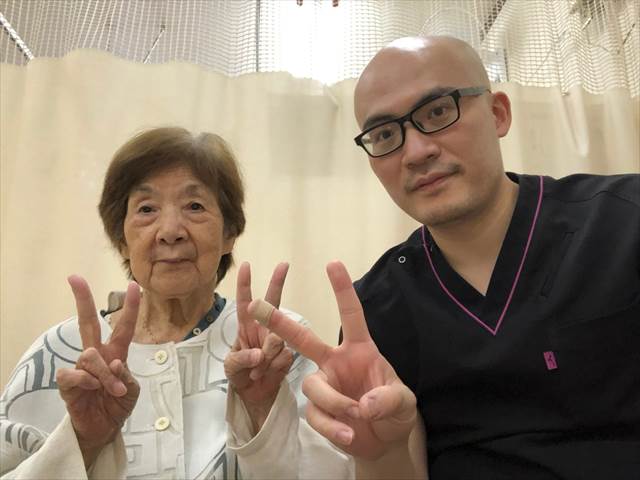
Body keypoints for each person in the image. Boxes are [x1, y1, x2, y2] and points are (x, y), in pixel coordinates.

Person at [253, 36, 640, 479]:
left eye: (438, 112)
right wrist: (379, 449)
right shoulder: (376, 307)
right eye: (385, 135)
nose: (416, 152)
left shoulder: (624, 220)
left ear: (497, 113)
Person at [0, 127, 353, 479]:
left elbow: (342, 471)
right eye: (147, 209)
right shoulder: (57, 355)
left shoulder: (277, 344)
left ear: (229, 233)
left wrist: (262, 410)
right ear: (122, 240)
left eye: (194, 206)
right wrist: (84, 441)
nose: (170, 231)